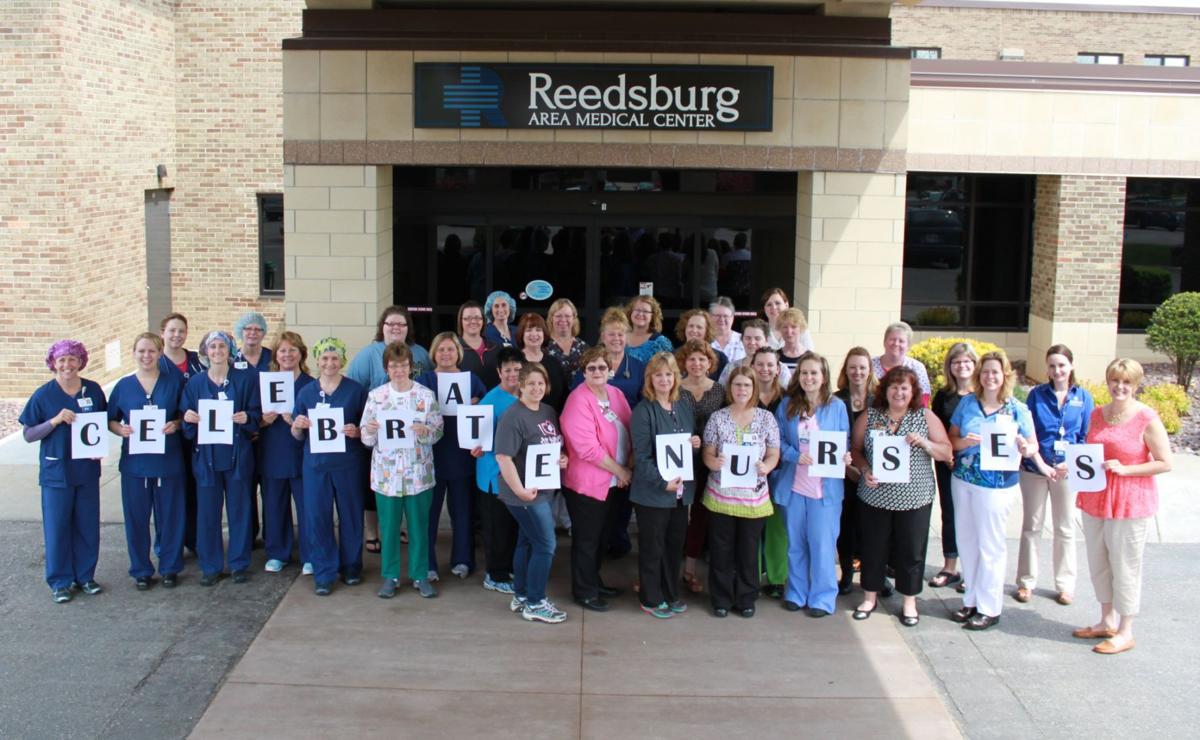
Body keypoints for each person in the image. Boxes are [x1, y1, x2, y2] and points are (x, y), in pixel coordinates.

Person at [947, 351, 1054, 631]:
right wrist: (964, 442)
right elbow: (952, 440)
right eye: (985, 372)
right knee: (967, 542)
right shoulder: (967, 404)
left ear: (1004, 375)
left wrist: (1025, 448)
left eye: (995, 371)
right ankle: (970, 599)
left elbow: (1033, 447)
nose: (989, 377)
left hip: (996, 486)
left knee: (990, 545)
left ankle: (989, 607)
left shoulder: (1017, 409)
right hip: (964, 480)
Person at [1072, 358, 1172, 655]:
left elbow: (1165, 462)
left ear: (1136, 385)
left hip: (1130, 501)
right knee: (1099, 562)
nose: (1120, 387)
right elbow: (1090, 453)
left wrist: (1127, 469)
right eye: (1115, 380)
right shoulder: (1097, 414)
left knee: (1125, 566)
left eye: (1127, 382)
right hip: (1096, 497)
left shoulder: (1146, 418)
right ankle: (1106, 621)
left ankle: (1126, 630)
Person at [850, 366, 952, 627]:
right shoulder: (870, 416)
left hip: (914, 498)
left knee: (911, 550)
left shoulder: (924, 417)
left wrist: (926, 443)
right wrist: (864, 469)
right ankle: (870, 597)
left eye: (904, 387)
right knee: (873, 548)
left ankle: (909, 601)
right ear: (885, 390)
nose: (899, 392)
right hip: (875, 496)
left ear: (913, 391)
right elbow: (857, 449)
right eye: (894, 387)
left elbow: (946, 452)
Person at [20, 340, 108, 603]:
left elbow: (101, 423)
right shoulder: (44, 395)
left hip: (86, 470)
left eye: (72, 359)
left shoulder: (92, 390)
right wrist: (54, 421)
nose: (67, 365)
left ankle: (85, 576)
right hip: (56, 472)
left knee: (87, 525)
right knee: (58, 527)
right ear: (53, 364)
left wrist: (98, 446)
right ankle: (60, 581)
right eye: (61, 360)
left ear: (81, 361)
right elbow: (28, 434)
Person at [360, 342, 444, 599]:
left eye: (403, 365)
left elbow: (439, 430)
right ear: (386, 368)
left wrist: (426, 432)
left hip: (418, 472)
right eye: (394, 366)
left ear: (411, 367)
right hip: (387, 475)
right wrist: (370, 431)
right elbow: (364, 436)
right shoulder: (376, 396)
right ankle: (390, 575)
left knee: (419, 526)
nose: (399, 370)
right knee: (389, 527)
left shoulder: (425, 395)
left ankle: (420, 575)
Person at [346, 306, 432, 555]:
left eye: (401, 324)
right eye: (390, 324)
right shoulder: (367, 355)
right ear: (382, 327)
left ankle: (399, 528)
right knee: (377, 487)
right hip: (378, 433)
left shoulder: (420, 354)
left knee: (406, 485)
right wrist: (364, 427)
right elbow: (355, 390)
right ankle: (373, 531)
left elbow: (425, 386)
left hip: (411, 436)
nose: (396, 328)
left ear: (408, 328)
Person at [771, 352, 852, 618]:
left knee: (822, 545)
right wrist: (795, 455)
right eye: (804, 373)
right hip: (794, 485)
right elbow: (777, 441)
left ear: (823, 376)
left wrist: (846, 456)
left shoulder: (837, 406)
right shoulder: (786, 405)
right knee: (795, 543)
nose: (808, 378)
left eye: (814, 373)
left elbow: (845, 442)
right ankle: (795, 592)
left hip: (824, 489)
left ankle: (822, 597)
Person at [181, 331, 261, 586]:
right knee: (208, 514)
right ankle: (211, 566)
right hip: (207, 459)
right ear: (205, 351)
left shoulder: (245, 380)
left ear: (230, 350)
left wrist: (248, 418)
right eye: (212, 347)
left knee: (239, 511)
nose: (217, 351)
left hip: (237, 457)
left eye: (222, 346)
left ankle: (238, 563)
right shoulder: (195, 384)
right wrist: (188, 419)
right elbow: (186, 421)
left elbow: (257, 413)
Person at [1017, 344, 1095, 606]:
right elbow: (1029, 433)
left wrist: (1069, 464)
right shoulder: (1036, 396)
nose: (1057, 370)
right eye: (1052, 365)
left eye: (1061, 365)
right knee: (1032, 526)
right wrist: (1040, 464)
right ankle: (1026, 582)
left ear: (1070, 366)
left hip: (1065, 472)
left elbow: (1085, 437)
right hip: (1035, 469)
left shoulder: (1084, 398)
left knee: (1065, 528)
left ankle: (1065, 585)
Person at [107, 333, 186, 590]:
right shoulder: (124, 386)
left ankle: (170, 567)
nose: (146, 356)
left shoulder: (173, 383)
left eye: (151, 351)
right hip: (135, 464)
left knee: (170, 517)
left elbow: (186, 415)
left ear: (160, 354)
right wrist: (121, 430)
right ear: (133, 353)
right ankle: (140, 569)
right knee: (137, 518)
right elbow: (110, 420)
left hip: (168, 461)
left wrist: (176, 424)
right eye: (141, 351)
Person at [702, 367, 781, 618]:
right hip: (721, 497)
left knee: (748, 552)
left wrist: (767, 466)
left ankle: (746, 597)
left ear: (754, 388)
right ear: (730, 388)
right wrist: (712, 463)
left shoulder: (766, 419)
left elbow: (773, 452)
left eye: (747, 385)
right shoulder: (717, 418)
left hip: (753, 499)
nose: (742, 390)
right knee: (721, 550)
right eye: (737, 385)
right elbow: (708, 451)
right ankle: (721, 598)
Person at [291, 337, 368, 596]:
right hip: (316, 465)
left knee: (351, 515)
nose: (330, 362)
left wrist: (356, 432)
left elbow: (367, 430)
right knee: (317, 517)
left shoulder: (356, 391)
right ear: (317, 361)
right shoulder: (306, 393)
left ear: (342, 360)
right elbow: (297, 434)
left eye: (334, 358)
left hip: (348, 463)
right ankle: (324, 571)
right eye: (325, 358)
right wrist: (297, 426)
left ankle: (351, 565)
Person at [495, 362, 570, 623]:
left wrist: (561, 458)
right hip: (524, 494)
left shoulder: (548, 411)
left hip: (544, 488)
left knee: (527, 541)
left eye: (541, 383)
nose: (537, 388)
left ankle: (522, 595)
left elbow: (551, 447)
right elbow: (503, 458)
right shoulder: (513, 416)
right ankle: (536, 603)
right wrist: (520, 491)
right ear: (521, 386)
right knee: (546, 544)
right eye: (531, 384)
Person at [560, 346, 633, 612]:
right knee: (587, 539)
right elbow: (587, 448)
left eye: (602, 367)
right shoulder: (578, 400)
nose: (597, 372)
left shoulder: (616, 395)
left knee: (602, 537)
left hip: (615, 482)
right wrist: (621, 471)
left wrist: (629, 467)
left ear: (610, 370)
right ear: (583, 372)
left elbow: (631, 427)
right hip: (588, 484)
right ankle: (584, 591)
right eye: (591, 368)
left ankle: (595, 580)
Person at [631, 352, 701, 618]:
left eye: (669, 374)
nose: (664, 379)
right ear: (650, 378)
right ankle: (650, 598)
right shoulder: (643, 410)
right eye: (658, 374)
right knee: (652, 547)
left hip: (680, 494)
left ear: (675, 378)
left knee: (674, 546)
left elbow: (682, 452)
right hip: (653, 494)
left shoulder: (683, 406)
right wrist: (663, 483)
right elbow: (642, 456)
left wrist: (695, 445)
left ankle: (671, 594)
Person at [416, 332, 487, 580]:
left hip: (461, 456)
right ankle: (428, 565)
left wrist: (477, 402)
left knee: (462, 512)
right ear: (433, 353)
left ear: (458, 352)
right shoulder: (424, 381)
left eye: (450, 349)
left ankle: (463, 560)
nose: (446, 354)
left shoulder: (472, 381)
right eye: (441, 349)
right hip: (431, 457)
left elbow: (486, 415)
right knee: (429, 514)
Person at [258, 332, 315, 574]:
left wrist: (298, 422)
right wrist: (262, 420)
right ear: (275, 355)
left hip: (302, 453)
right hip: (273, 451)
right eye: (283, 350)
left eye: (293, 350)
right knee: (274, 505)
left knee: (307, 506)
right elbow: (251, 417)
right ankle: (277, 552)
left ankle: (310, 554)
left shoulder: (311, 385)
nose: (288, 355)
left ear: (301, 354)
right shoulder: (265, 382)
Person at [677, 340, 726, 594]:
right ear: (684, 362)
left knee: (699, 515)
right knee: (673, 515)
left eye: (702, 359)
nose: (697, 364)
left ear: (710, 363)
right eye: (692, 359)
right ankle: (668, 567)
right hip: (677, 459)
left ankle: (690, 570)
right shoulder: (674, 388)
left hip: (709, 461)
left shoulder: (719, 390)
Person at [474, 348, 524, 595]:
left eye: (517, 369)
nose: (513, 374)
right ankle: (495, 575)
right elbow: (477, 440)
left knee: (511, 528)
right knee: (497, 529)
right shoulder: (490, 401)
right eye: (508, 370)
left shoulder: (525, 396)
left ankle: (506, 569)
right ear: (498, 372)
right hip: (494, 476)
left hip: (517, 477)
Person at [929, 342, 977, 591]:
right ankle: (950, 566)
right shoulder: (943, 395)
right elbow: (935, 428)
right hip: (948, 463)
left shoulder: (982, 394)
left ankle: (972, 570)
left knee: (973, 517)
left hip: (976, 467)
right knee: (950, 512)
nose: (962, 366)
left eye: (967, 361)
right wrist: (946, 454)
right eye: (957, 362)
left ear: (974, 364)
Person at [834, 346, 878, 595]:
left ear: (870, 370)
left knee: (872, 527)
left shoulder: (879, 400)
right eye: (853, 367)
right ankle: (847, 575)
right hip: (843, 471)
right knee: (846, 525)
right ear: (846, 370)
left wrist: (863, 468)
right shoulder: (836, 399)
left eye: (862, 367)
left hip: (874, 472)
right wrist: (848, 467)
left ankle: (875, 578)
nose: (857, 372)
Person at [159, 312, 203, 554]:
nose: (177, 335)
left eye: (181, 331)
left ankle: (195, 539)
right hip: (168, 437)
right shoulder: (156, 363)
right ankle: (168, 544)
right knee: (171, 494)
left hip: (198, 435)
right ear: (162, 333)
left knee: (195, 488)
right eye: (172, 330)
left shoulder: (198, 361)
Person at [752, 347, 789, 599]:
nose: (765, 369)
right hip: (748, 472)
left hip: (780, 471)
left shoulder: (788, 400)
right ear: (753, 366)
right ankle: (751, 574)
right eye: (760, 364)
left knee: (777, 526)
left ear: (778, 369)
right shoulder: (743, 394)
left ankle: (777, 578)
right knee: (752, 526)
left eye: (770, 365)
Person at [872, 321, 932, 406]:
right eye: (892, 339)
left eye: (901, 341)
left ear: (908, 346)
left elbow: (923, 399)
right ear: (884, 342)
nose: (896, 343)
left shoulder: (917, 367)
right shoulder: (870, 366)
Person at [517, 312, 567, 413]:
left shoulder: (554, 363)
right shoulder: (515, 362)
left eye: (538, 330)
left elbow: (564, 396)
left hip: (552, 421)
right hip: (522, 421)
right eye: (529, 330)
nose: (534, 334)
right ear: (522, 334)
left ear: (544, 334)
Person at [718, 319, 784, 387]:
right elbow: (721, 394)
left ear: (766, 340)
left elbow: (788, 395)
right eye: (748, 338)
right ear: (741, 339)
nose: (752, 342)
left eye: (757, 338)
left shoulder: (780, 368)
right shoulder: (731, 368)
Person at [457, 300, 501, 390]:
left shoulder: (496, 348)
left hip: (494, 402)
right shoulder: (454, 349)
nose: (473, 321)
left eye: (477, 318)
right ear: (460, 321)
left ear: (483, 321)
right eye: (467, 318)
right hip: (466, 403)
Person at [675, 308, 728, 381]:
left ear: (707, 331)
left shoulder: (720, 358)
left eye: (699, 327)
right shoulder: (672, 356)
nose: (694, 330)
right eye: (691, 326)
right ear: (684, 328)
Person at [545, 297, 589, 380]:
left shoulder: (583, 347)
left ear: (574, 319)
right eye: (558, 316)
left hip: (579, 392)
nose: (563, 320)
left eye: (567, 316)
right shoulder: (543, 346)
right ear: (551, 319)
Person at [624, 295, 673, 365]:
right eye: (637, 310)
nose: (640, 314)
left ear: (652, 316)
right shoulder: (619, 337)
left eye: (645, 311)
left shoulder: (660, 343)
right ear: (630, 312)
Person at [761, 287, 813, 352]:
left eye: (777, 303)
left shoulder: (801, 330)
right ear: (764, 309)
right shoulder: (760, 331)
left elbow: (810, 356)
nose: (773, 307)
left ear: (786, 305)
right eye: (769, 304)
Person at [775, 308, 813, 377]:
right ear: (780, 329)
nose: (789, 331)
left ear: (801, 328)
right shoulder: (774, 356)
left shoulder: (810, 357)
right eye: (785, 327)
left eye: (794, 327)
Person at [709, 296, 744, 366]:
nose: (721, 319)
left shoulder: (743, 340)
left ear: (732, 318)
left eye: (725, 316)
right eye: (717, 315)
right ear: (710, 316)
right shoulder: (703, 340)